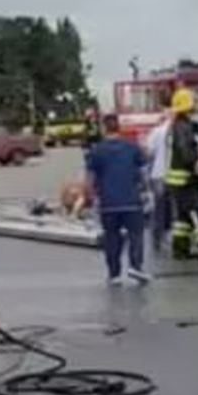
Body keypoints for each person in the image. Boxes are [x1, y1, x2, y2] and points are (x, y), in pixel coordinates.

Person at [85, 114, 152, 286]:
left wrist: (91, 197)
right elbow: (144, 172)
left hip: (108, 202)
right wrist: (146, 191)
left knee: (111, 237)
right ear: (119, 128)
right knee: (136, 234)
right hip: (131, 199)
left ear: (103, 128)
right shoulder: (132, 148)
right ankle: (136, 266)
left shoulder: (96, 151)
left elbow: (90, 177)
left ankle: (114, 273)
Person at [165, 88, 198, 261]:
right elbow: (188, 153)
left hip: (180, 181)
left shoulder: (179, 125)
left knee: (183, 219)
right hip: (188, 180)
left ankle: (181, 248)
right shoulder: (184, 127)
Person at [144, 111, 173, 253]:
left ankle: (157, 239)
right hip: (175, 175)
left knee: (159, 208)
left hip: (159, 174)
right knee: (173, 208)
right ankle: (170, 236)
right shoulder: (177, 130)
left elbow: (149, 152)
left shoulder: (156, 132)